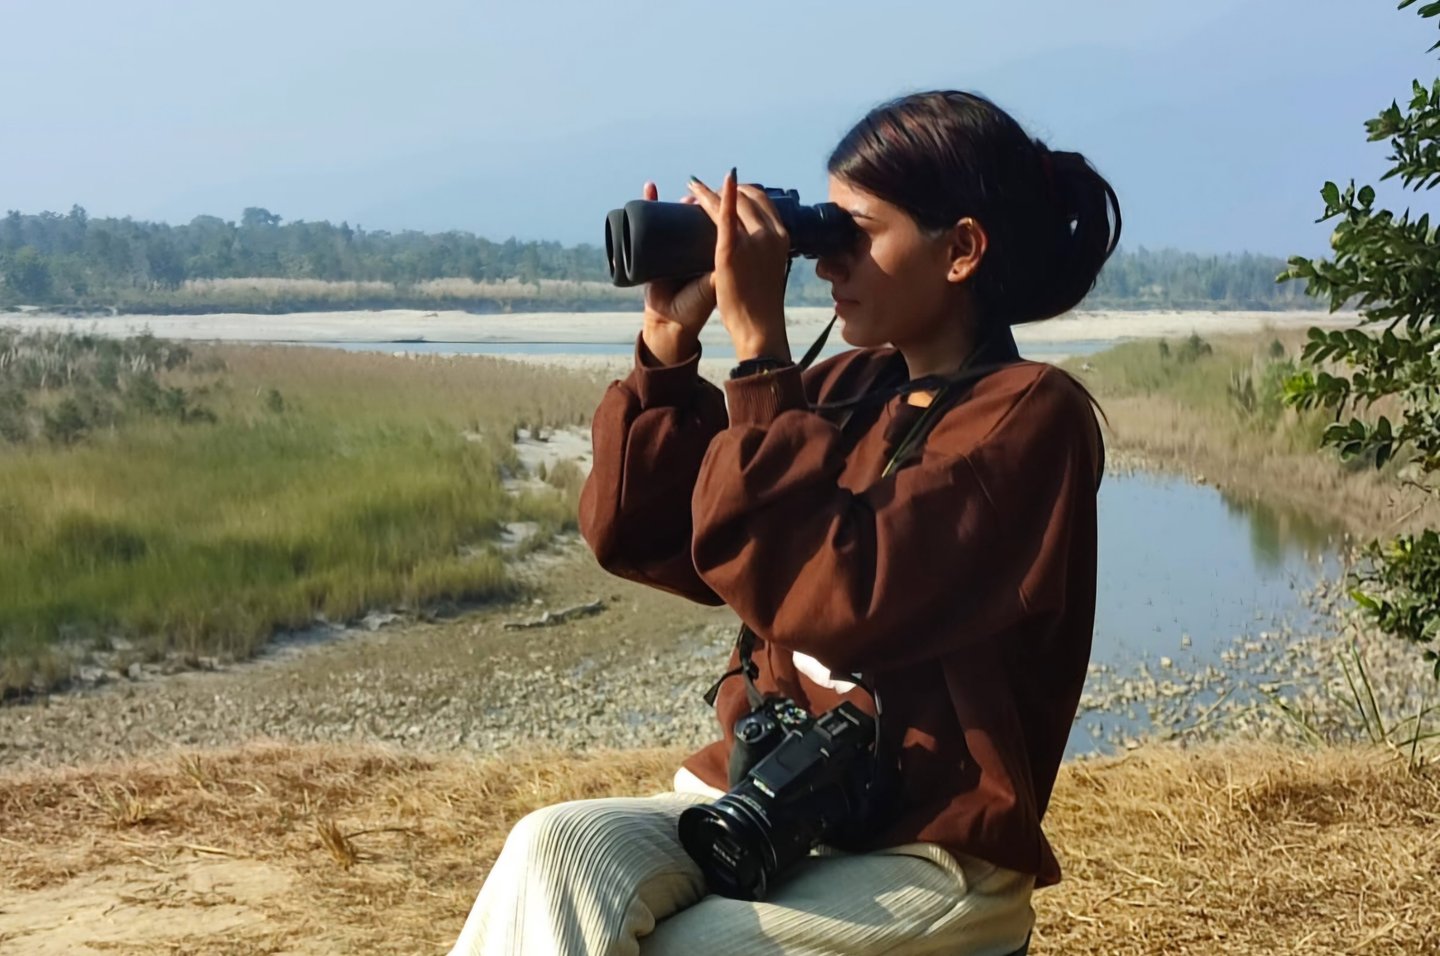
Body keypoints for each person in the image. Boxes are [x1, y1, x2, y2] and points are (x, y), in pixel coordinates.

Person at [447, 89, 1119, 956]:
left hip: (928, 848)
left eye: (858, 231)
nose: (827, 259)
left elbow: (838, 591)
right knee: (554, 848)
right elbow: (646, 534)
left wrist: (762, 353)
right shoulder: (838, 392)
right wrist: (665, 346)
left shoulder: (1031, 418)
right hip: (765, 800)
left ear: (961, 251)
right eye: (821, 228)